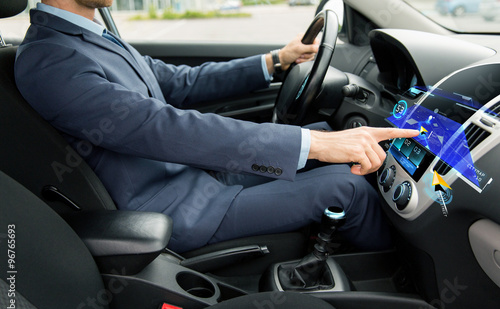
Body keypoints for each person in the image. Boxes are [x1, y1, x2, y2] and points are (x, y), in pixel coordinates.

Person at [15, 0, 419, 253]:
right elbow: (158, 127)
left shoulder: (89, 38)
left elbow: (179, 84)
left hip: (194, 177)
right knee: (343, 186)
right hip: (174, 207)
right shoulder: (50, 59)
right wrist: (316, 144)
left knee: (319, 133)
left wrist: (278, 60)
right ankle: (403, 282)